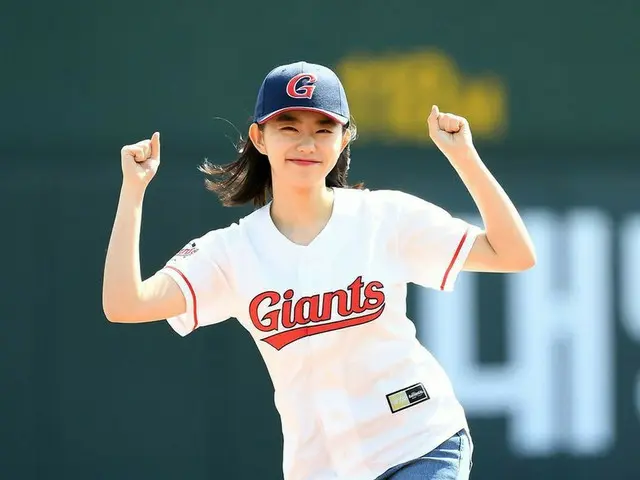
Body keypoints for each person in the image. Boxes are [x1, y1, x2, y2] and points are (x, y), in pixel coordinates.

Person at [102, 61, 536, 480]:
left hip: (418, 443)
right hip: (321, 468)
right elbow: (125, 303)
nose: (306, 144)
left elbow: (513, 253)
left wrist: (464, 158)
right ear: (258, 136)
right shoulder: (232, 251)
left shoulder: (384, 217)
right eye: (288, 128)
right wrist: (133, 192)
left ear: (344, 139)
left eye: (323, 129)